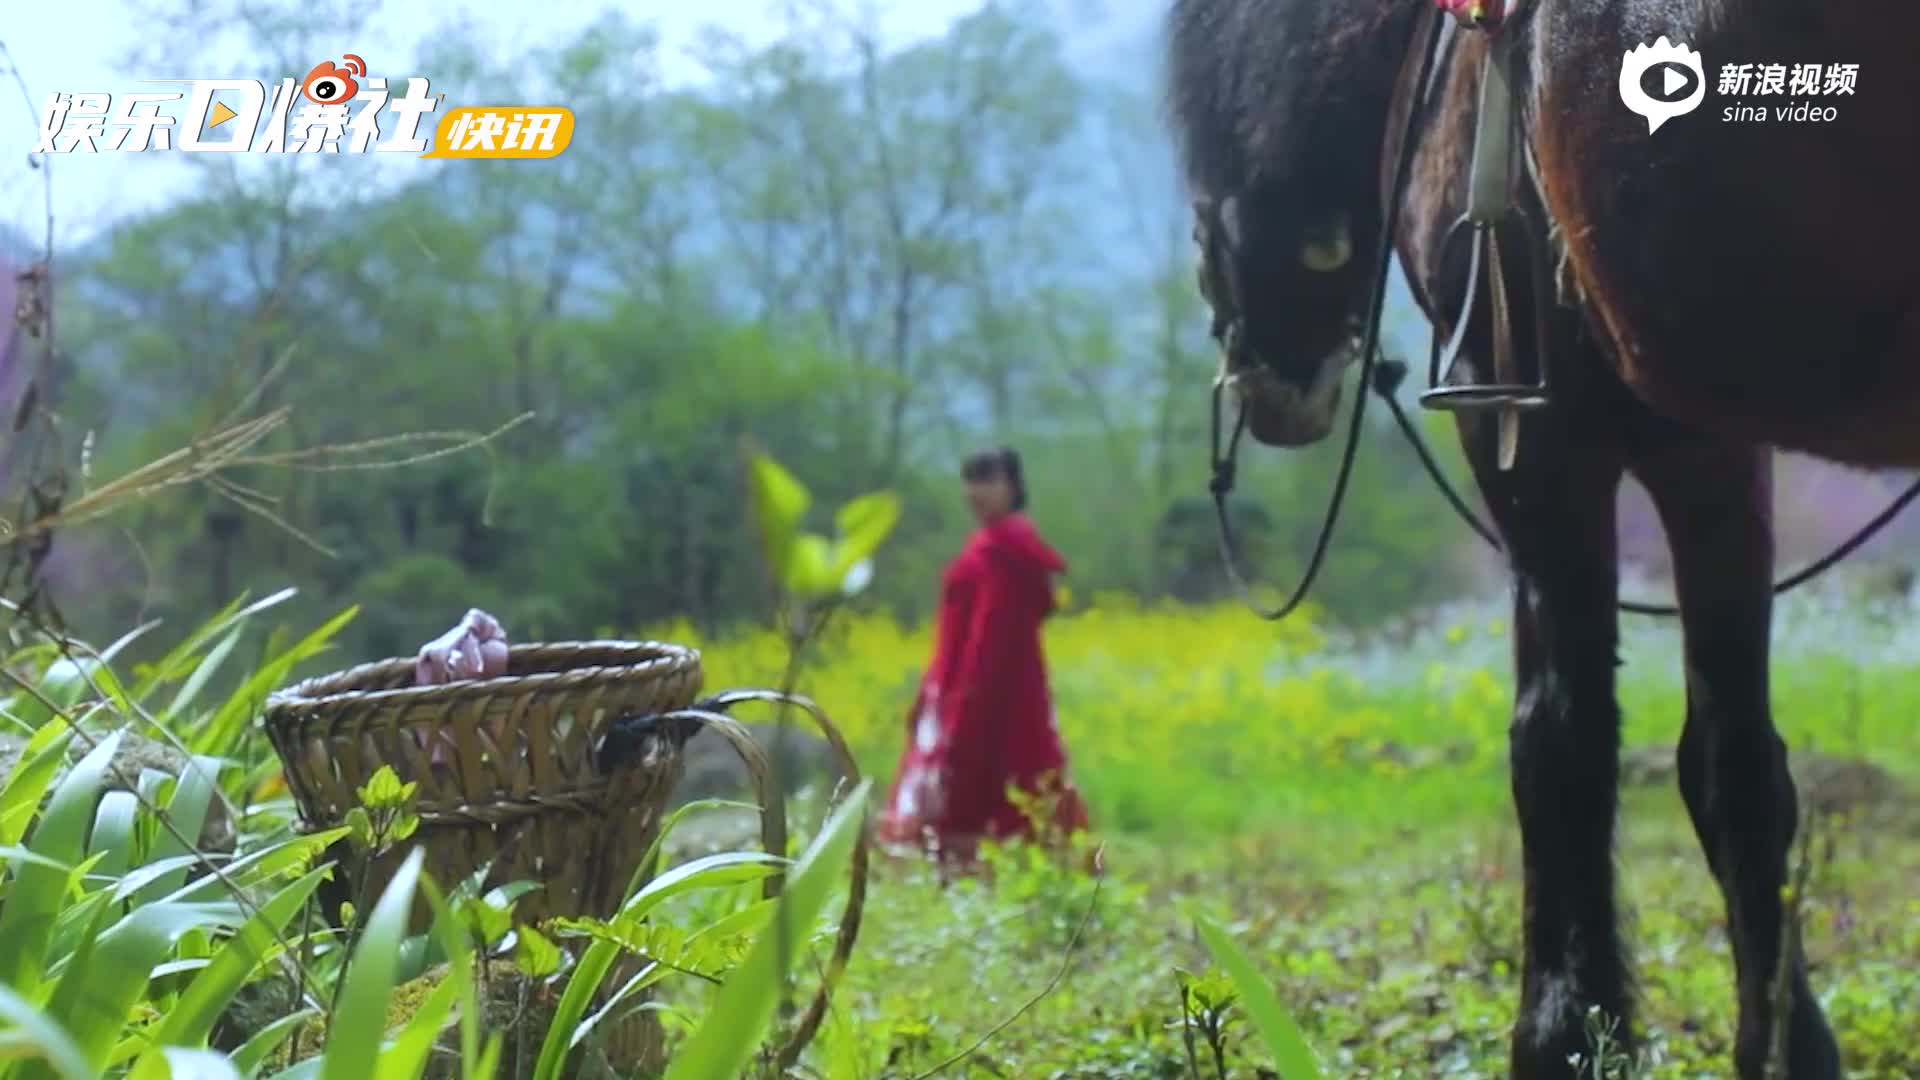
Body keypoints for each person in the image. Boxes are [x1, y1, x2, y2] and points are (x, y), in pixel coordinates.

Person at [878, 446, 1090, 869]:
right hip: (967, 684)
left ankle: (992, 875)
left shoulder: (1008, 552)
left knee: (991, 783)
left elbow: (991, 636)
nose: (976, 492)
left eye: (989, 480)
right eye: (971, 481)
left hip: (994, 689)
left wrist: (964, 703)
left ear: (1013, 488)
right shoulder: (990, 547)